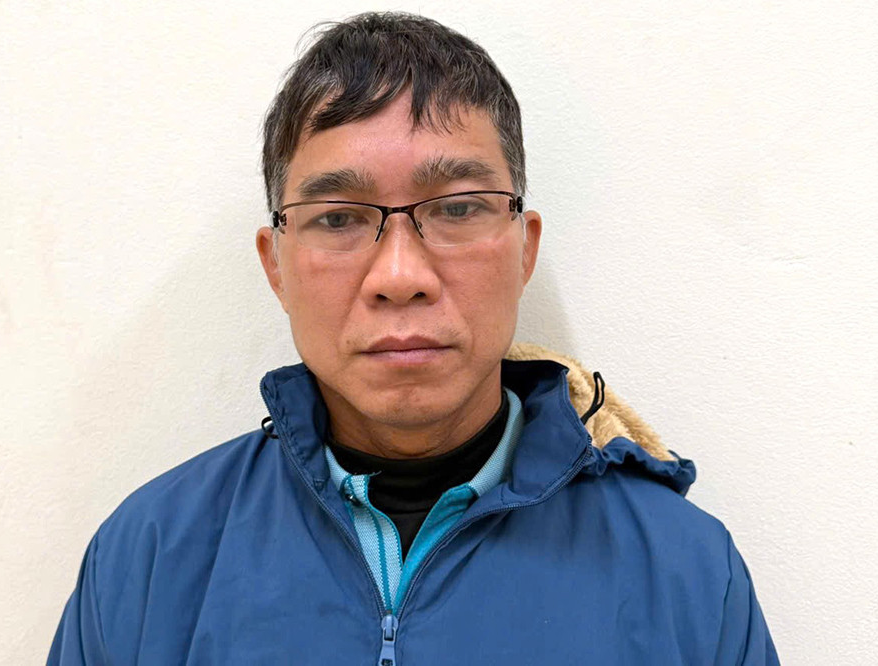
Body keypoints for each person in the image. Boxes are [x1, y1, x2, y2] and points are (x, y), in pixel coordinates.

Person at [48, 11, 779, 665]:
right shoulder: (147, 559)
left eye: (457, 208)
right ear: (276, 265)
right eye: (338, 217)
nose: (400, 276)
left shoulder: (685, 572)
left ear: (524, 249)